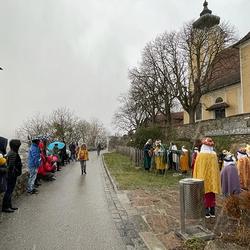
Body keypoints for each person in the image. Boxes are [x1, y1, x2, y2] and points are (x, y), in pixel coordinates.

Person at [193, 137, 221, 219]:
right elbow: (216, 168)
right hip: (212, 179)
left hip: (203, 178)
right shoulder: (214, 155)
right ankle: (212, 210)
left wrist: (196, 177)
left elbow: (197, 167)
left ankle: (206, 211)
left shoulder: (201, 155)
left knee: (204, 194)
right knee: (212, 194)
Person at [2, 139, 22, 213]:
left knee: (10, 190)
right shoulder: (13, 153)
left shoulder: (11, 152)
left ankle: (9, 206)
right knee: (9, 191)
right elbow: (11, 166)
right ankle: (5, 207)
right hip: (11, 176)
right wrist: (16, 171)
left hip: (10, 175)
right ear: (16, 146)